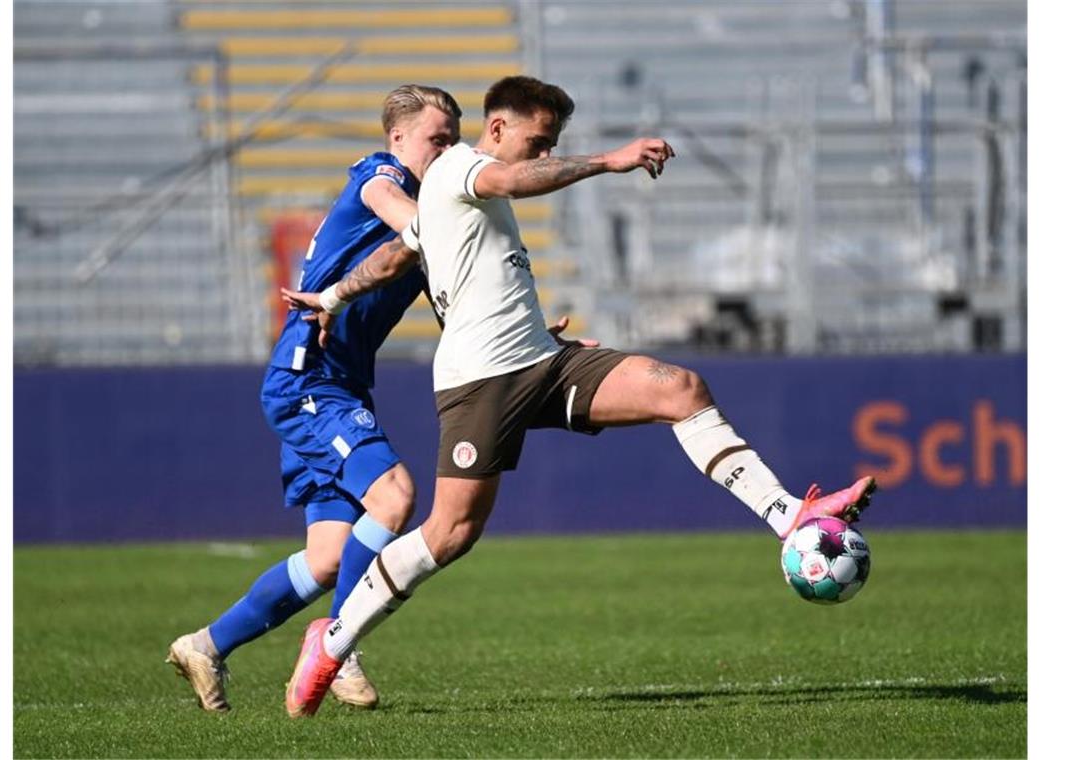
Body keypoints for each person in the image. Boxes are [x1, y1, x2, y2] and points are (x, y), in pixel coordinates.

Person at [279, 75, 876, 718]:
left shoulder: (453, 200)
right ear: (499, 129)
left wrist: (334, 296)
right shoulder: (458, 167)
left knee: (680, 389)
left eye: (551, 146)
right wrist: (609, 161)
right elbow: (510, 182)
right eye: (538, 143)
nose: (542, 155)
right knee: (450, 534)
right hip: (479, 383)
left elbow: (397, 257)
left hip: (543, 362)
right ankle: (332, 641)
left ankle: (792, 517)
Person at [164, 84, 463, 712]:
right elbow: (398, 208)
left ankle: (206, 644)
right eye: (438, 139)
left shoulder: (421, 228)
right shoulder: (379, 178)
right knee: (396, 495)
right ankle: (340, 642)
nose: (446, 152)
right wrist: (449, 216)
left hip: (341, 384)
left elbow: (455, 302)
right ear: (398, 138)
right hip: (309, 377)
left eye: (452, 141)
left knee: (327, 559)